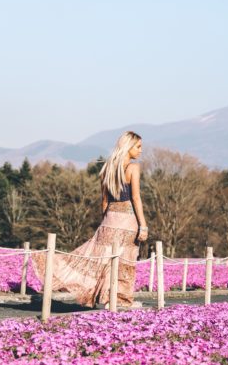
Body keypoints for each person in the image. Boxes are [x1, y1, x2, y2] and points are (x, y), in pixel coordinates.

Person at [33, 131, 149, 308]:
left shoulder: (107, 169)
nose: (141, 150)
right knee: (123, 261)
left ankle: (97, 296)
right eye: (138, 146)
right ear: (128, 147)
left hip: (109, 220)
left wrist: (106, 222)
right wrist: (143, 225)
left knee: (99, 260)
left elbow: (104, 201)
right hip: (128, 220)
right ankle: (121, 300)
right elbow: (136, 198)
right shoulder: (133, 168)